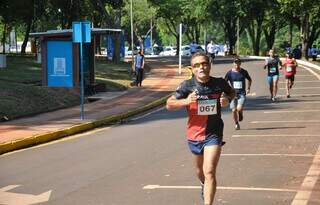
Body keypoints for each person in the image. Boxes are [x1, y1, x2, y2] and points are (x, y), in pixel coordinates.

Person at [166, 52, 235, 205]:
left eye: (204, 64)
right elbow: (169, 104)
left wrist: (227, 99)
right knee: (200, 172)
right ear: (192, 68)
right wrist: (185, 101)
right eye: (197, 65)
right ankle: (203, 184)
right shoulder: (186, 86)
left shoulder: (219, 83)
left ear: (209, 65)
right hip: (194, 134)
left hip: (213, 133)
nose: (201, 67)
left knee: (209, 170)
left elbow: (232, 92)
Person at [225, 58, 252, 130]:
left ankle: (240, 113)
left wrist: (248, 88)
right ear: (233, 63)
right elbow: (225, 82)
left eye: (238, 63)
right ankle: (236, 123)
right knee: (233, 110)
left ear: (240, 63)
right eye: (235, 63)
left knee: (239, 108)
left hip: (241, 93)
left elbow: (249, 79)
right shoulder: (229, 73)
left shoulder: (244, 72)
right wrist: (226, 91)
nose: (237, 64)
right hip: (232, 94)